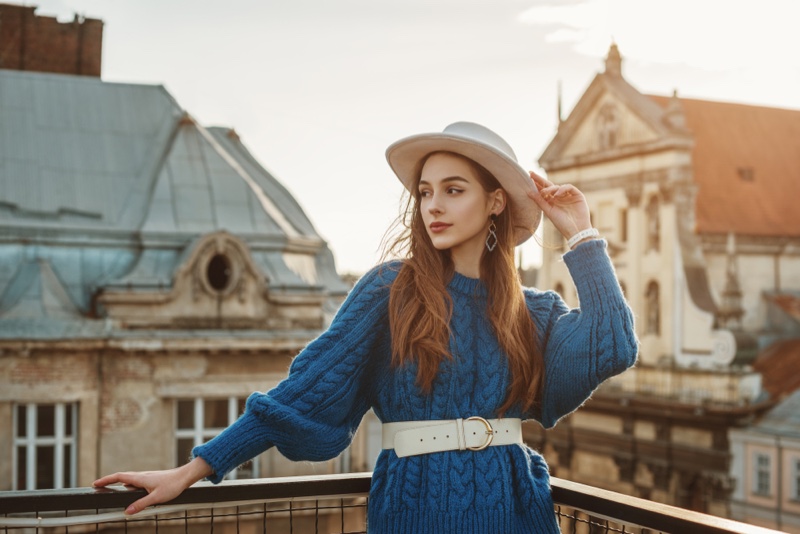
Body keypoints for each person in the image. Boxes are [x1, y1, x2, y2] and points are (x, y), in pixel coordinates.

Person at [94, 121, 638, 533]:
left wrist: (582, 236)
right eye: (425, 192)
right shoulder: (391, 291)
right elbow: (302, 395)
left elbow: (613, 345)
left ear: (495, 201)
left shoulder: (533, 312)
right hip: (414, 505)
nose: (433, 206)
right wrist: (191, 470)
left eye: (453, 190)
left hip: (517, 507)